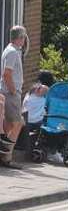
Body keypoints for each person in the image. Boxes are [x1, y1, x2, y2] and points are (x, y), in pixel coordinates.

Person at [0, 26, 27, 168]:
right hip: (11, 94)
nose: (25, 40)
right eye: (24, 37)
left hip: (9, 93)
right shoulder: (12, 52)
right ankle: (6, 154)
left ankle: (4, 154)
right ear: (20, 37)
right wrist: (13, 90)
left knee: (9, 124)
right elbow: (7, 73)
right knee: (18, 123)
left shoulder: (10, 50)